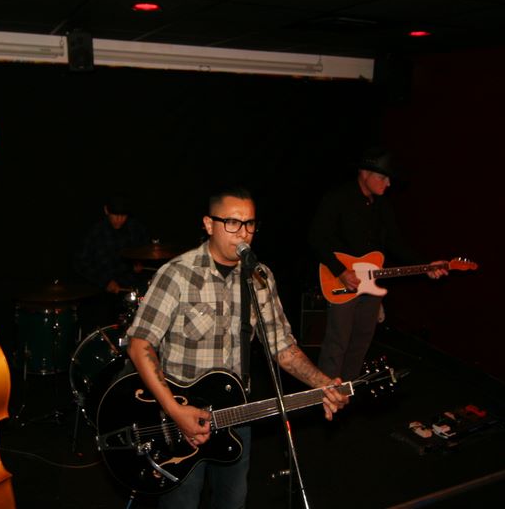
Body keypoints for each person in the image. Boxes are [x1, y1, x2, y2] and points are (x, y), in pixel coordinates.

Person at [126, 186, 348, 508]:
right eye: (232, 222)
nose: (243, 232)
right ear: (209, 224)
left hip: (236, 415)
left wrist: (323, 383)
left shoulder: (259, 277)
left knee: (233, 501)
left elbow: (282, 346)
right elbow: (140, 344)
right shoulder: (177, 275)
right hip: (181, 419)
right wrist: (175, 411)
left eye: (249, 223)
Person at [309, 147, 447, 382]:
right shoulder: (338, 198)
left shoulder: (382, 206)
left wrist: (425, 266)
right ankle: (324, 395)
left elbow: (396, 243)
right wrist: (341, 271)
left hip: (372, 286)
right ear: (364, 173)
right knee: (337, 343)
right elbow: (316, 237)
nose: (388, 183)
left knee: (361, 341)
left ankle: (349, 391)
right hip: (343, 283)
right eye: (383, 177)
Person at [73, 193, 150, 330]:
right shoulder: (96, 232)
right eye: (115, 215)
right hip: (102, 292)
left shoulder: (136, 229)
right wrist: (105, 282)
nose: (119, 220)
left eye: (123, 215)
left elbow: (146, 254)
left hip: (129, 289)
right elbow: (80, 263)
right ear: (106, 210)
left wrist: (140, 265)